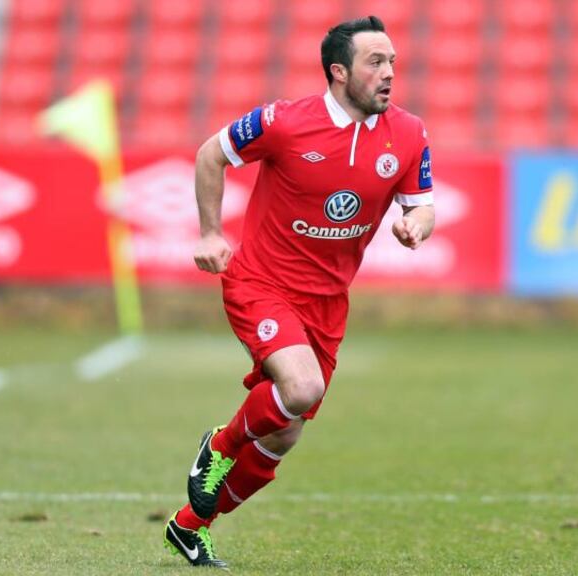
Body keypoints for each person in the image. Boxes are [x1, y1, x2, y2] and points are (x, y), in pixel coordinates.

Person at [162, 16, 435, 568]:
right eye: (374, 63)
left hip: (328, 303)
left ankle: (190, 526)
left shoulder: (408, 133)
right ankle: (217, 446)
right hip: (261, 283)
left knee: (282, 437)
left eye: (392, 64)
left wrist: (417, 226)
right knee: (302, 386)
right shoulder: (285, 122)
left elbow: (421, 203)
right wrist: (212, 232)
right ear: (339, 72)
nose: (388, 74)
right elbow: (210, 154)